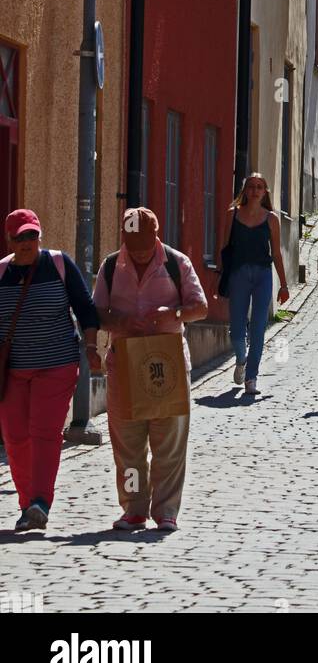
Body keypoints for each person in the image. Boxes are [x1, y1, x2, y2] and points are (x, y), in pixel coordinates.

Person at [94, 207, 208, 533]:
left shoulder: (176, 263)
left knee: (168, 442)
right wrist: (120, 321)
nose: (140, 252)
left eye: (145, 245)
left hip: (166, 364)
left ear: (156, 236)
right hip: (124, 364)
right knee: (128, 446)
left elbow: (200, 308)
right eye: (133, 245)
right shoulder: (112, 266)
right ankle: (133, 509)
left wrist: (172, 313)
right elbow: (97, 312)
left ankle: (166, 510)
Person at [0, 209, 100, 532]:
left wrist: (92, 348)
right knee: (15, 437)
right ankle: (27, 502)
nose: (27, 243)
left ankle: (40, 502)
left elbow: (86, 309)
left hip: (57, 365)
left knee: (43, 433)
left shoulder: (58, 265)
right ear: (9, 239)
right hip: (13, 370)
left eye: (32, 236)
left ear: (39, 236)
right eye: (20, 237)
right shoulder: (2, 273)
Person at [218, 173, 290, 395]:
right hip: (238, 274)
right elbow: (224, 248)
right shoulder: (232, 215)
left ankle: (251, 378)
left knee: (258, 329)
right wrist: (220, 276)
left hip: (262, 276)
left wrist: (284, 285)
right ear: (245, 191)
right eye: (251, 187)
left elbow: (276, 253)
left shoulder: (271, 219)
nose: (255, 190)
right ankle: (241, 359)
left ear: (265, 192)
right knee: (237, 330)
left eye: (260, 187)